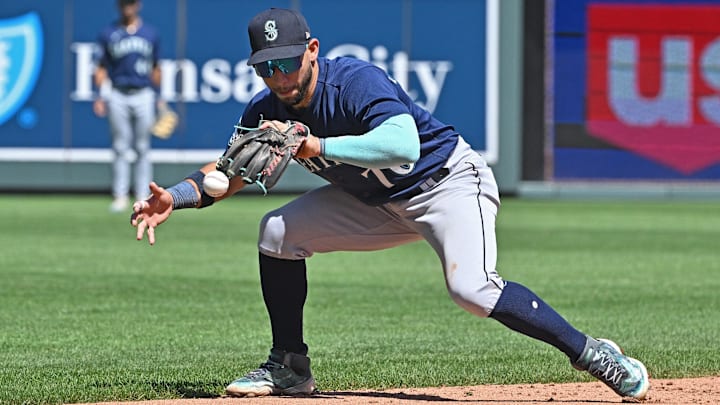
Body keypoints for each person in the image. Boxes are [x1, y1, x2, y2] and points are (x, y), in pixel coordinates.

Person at [130, 7, 650, 400]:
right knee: (277, 233)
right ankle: (290, 366)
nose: (279, 77)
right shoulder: (266, 108)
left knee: (470, 289)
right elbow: (227, 174)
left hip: (446, 184)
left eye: (288, 62)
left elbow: (404, 146)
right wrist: (173, 197)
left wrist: (316, 146)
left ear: (312, 49)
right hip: (373, 203)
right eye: (267, 67)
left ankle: (591, 352)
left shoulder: (353, 81)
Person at [94, 0, 161, 213]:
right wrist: (100, 95)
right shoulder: (109, 33)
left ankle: (143, 195)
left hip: (143, 93)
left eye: (130, 3)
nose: (127, 7)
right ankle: (120, 195)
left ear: (138, 5)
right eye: (124, 3)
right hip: (118, 93)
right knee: (120, 147)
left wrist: (159, 96)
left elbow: (156, 68)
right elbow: (101, 68)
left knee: (142, 147)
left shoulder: (150, 33)